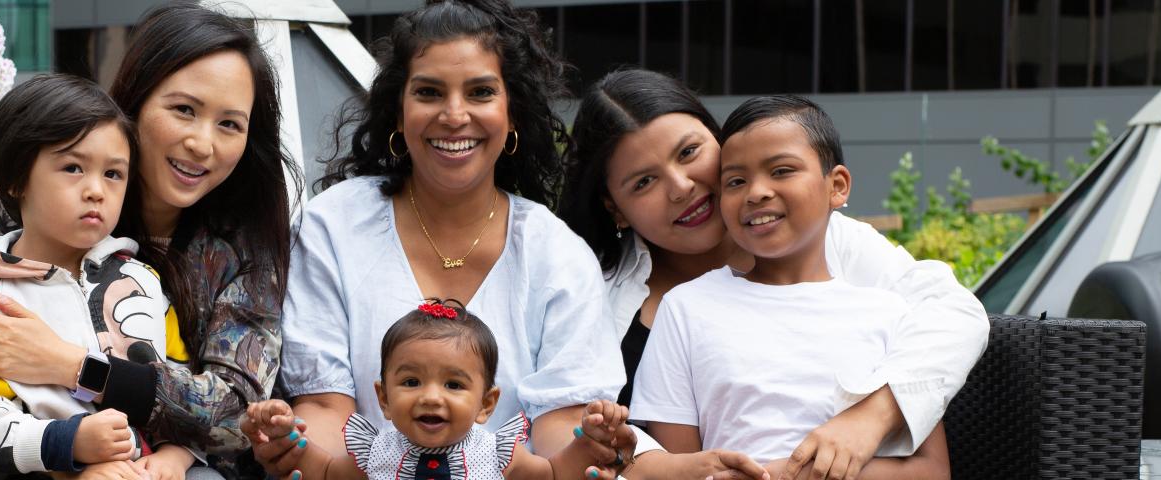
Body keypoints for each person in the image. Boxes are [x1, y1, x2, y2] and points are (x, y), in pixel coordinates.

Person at [259, 0, 680, 478]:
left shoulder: (557, 253)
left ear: (512, 113)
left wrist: (589, 446)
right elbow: (326, 407)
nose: (455, 115)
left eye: (480, 92)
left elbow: (560, 427)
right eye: (429, 92)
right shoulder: (331, 226)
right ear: (399, 113)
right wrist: (295, 447)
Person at [554, 70, 987, 478]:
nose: (681, 186)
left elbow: (952, 313)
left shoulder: (836, 245)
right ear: (615, 209)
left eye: (689, 153)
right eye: (643, 182)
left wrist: (871, 417)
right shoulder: (604, 296)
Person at [0, 3, 298, 478]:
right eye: (184, 110)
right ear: (135, 101)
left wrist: (72, 365)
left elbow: (235, 415)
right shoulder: (28, 199)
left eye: (229, 124)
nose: (202, 143)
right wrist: (67, 456)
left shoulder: (241, 244)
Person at [0, 74, 189, 478]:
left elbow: (179, 383)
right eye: (73, 167)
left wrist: (173, 457)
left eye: (113, 174)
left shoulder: (141, 283)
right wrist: (69, 445)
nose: (96, 190)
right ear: (15, 178)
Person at [250, 300, 635, 480]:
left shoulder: (495, 454)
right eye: (411, 382)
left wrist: (589, 443)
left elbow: (552, 473)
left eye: (453, 384)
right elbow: (325, 471)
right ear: (383, 399)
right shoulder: (376, 453)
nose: (431, 396)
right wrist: (287, 435)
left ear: (486, 404)